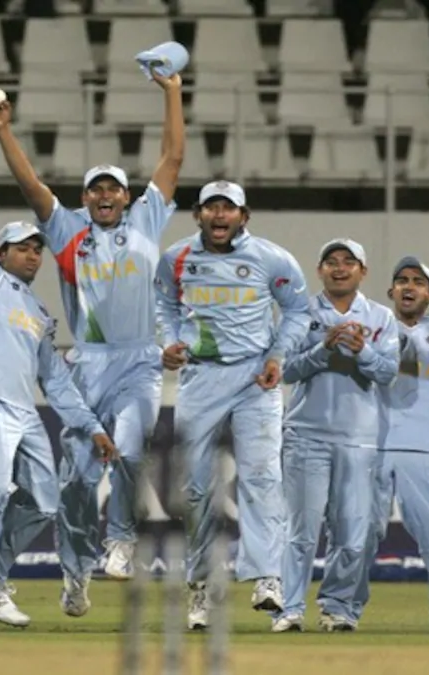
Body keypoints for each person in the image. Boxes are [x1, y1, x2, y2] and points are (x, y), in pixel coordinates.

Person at [0, 72, 183, 613]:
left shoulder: (147, 218)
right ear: (84, 198)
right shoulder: (67, 230)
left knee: (133, 448)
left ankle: (119, 542)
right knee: (74, 484)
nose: (104, 195)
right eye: (95, 188)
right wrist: (3, 131)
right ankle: (76, 573)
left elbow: (172, 158)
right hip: (87, 364)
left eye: (113, 188)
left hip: (141, 359)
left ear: (126, 196)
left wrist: (171, 91)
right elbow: (30, 187)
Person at [0, 118, 117, 627]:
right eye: (22, 247)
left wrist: (94, 428)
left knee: (43, 501)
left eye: (38, 248)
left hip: (23, 410)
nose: (33, 254)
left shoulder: (38, 312)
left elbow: (54, 380)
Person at [153, 180, 310, 630]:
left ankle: (267, 577)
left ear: (244, 216)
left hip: (255, 378)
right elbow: (164, 304)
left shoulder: (271, 258)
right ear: (197, 215)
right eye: (211, 208)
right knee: (197, 489)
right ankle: (201, 589)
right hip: (200, 379)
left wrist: (278, 356)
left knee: (262, 477)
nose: (219, 216)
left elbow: (298, 311)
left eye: (228, 208)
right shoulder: (176, 258)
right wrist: (170, 342)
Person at [276, 239, 401, 633]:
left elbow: (388, 373)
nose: (340, 268)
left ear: (363, 271)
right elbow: (283, 371)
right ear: (319, 270)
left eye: (349, 262)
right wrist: (322, 351)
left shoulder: (380, 316)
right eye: (331, 261)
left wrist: (362, 351)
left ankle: (338, 608)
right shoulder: (300, 313)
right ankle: (289, 609)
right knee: (301, 531)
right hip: (306, 435)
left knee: (352, 532)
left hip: (360, 439)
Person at [351, 258, 429, 632]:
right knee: (356, 538)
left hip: (427, 449)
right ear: (391, 291)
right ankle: (343, 612)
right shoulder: (373, 327)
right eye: (402, 281)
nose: (409, 287)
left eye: (418, 282)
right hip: (370, 446)